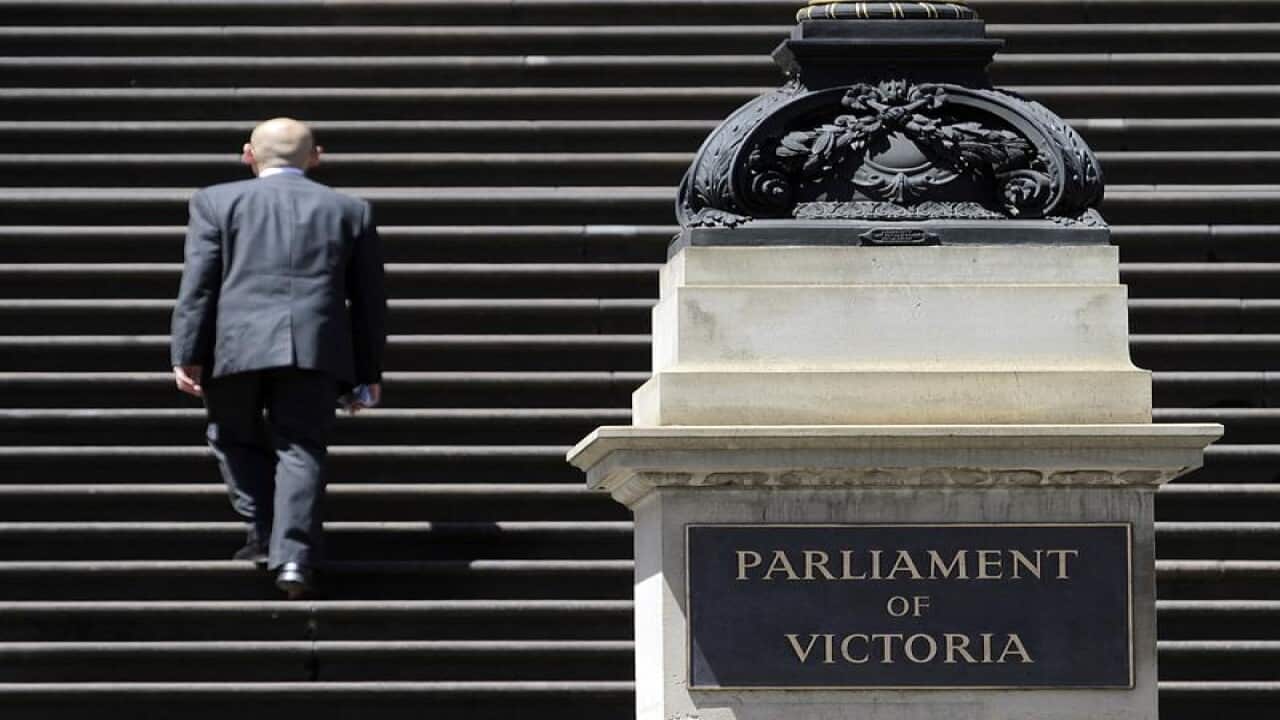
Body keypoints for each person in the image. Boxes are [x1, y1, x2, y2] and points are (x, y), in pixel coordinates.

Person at [170, 117, 387, 599]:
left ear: (249, 154)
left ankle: (263, 532)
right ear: (316, 157)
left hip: (235, 344)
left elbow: (199, 283)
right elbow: (369, 300)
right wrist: (368, 371)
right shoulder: (349, 209)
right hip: (315, 349)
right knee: (302, 448)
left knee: (232, 436)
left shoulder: (216, 201)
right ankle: (292, 557)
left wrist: (187, 351)